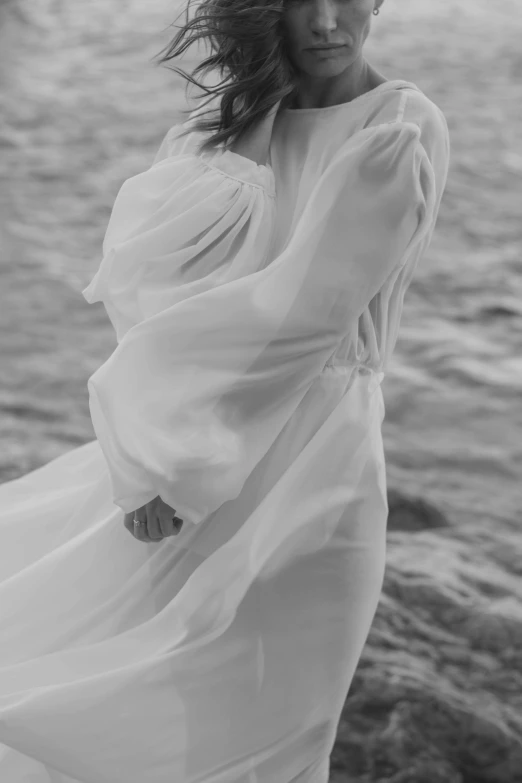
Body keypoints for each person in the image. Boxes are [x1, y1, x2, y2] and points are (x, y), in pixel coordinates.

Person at [0, 0, 450, 780]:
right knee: (159, 701)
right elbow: (149, 284)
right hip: (197, 446)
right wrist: (151, 454)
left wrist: (167, 458)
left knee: (281, 725)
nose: (324, 20)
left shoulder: (400, 127)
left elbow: (310, 315)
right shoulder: (218, 125)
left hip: (311, 462)